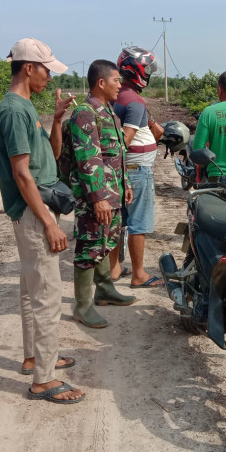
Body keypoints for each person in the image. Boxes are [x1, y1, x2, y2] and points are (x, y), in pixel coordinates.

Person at [0, 37, 84, 404]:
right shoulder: (15, 110)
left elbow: (51, 154)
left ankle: (35, 358)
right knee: (47, 296)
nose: (50, 76)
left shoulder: (26, 107)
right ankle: (43, 380)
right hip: (33, 214)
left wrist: (58, 119)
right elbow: (21, 174)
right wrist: (48, 222)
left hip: (34, 211)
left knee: (31, 290)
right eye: (47, 69)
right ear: (28, 68)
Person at [60, 59, 136, 328]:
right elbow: (87, 160)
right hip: (95, 197)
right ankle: (82, 306)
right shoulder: (85, 113)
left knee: (106, 241)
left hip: (111, 192)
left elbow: (114, 155)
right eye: (116, 81)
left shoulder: (107, 111)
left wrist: (124, 184)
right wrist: (99, 198)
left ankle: (104, 290)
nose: (120, 85)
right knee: (88, 248)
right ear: (101, 83)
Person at [109, 46, 165, 288]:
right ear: (137, 70)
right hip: (136, 171)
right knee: (138, 223)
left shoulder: (117, 96)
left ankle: (114, 269)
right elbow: (126, 139)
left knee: (118, 220)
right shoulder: (134, 100)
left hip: (121, 169)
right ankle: (139, 274)